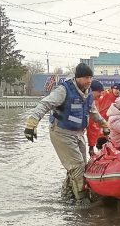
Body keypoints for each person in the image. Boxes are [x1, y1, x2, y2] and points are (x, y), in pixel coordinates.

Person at [24, 63, 110, 200]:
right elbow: (45, 104)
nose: (89, 81)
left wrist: (105, 125)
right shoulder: (63, 90)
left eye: (91, 77)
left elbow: (94, 112)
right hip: (61, 132)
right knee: (77, 166)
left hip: (78, 133)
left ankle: (67, 195)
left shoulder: (88, 94)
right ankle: (82, 200)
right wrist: (32, 123)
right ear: (77, 78)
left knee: (82, 165)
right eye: (86, 77)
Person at [87, 83, 120, 156]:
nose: (117, 91)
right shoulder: (104, 95)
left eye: (119, 89)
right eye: (116, 89)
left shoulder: (119, 101)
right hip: (99, 124)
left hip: (110, 126)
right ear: (112, 89)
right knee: (100, 141)